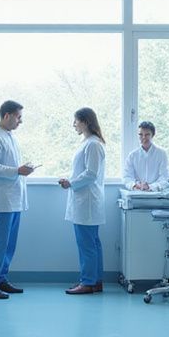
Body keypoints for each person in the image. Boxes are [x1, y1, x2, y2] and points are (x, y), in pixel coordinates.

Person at [0, 100, 35, 299]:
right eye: (18, 117)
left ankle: (1, 279)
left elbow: (8, 165)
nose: (20, 121)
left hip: (13, 199)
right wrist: (17, 170)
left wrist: (21, 168)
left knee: (9, 244)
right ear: (7, 116)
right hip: (1, 199)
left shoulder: (9, 136)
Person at [58, 107, 107, 295]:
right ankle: (95, 281)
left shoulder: (93, 144)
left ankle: (87, 282)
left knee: (87, 244)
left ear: (85, 122)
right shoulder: (89, 143)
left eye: (76, 121)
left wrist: (70, 183)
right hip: (87, 200)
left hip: (87, 201)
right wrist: (71, 181)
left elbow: (91, 173)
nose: (74, 125)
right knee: (92, 243)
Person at [123, 121, 169, 191]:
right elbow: (127, 177)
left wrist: (150, 187)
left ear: (152, 135)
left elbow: (164, 178)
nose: (143, 137)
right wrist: (135, 185)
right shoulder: (132, 156)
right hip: (137, 193)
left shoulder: (161, 154)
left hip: (156, 194)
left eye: (147, 134)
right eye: (140, 134)